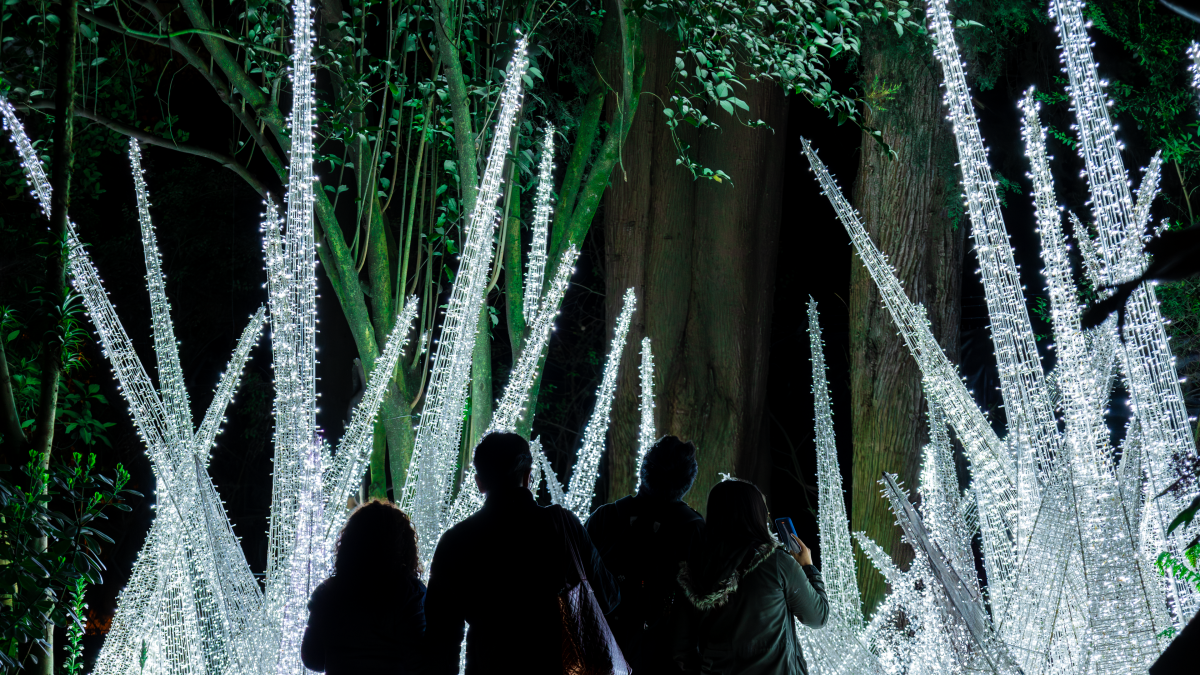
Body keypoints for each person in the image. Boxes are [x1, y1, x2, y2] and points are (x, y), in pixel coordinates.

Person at [423, 432, 620, 674]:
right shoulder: (562, 525)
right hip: (559, 664)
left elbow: (441, 638)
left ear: (479, 483)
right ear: (528, 476)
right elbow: (609, 596)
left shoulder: (456, 540)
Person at [675, 478, 828, 675]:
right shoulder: (778, 563)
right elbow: (818, 617)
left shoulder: (692, 570)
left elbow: (680, 649)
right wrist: (808, 567)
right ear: (755, 516)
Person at [586, 436, 705, 673]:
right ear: (687, 481)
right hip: (664, 660)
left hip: (600, 650)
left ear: (644, 470)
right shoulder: (693, 530)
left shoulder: (605, 518)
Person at [300, 499, 426, 674]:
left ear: (349, 544)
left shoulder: (328, 593)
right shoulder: (410, 593)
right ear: (404, 547)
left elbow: (312, 659)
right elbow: (421, 662)